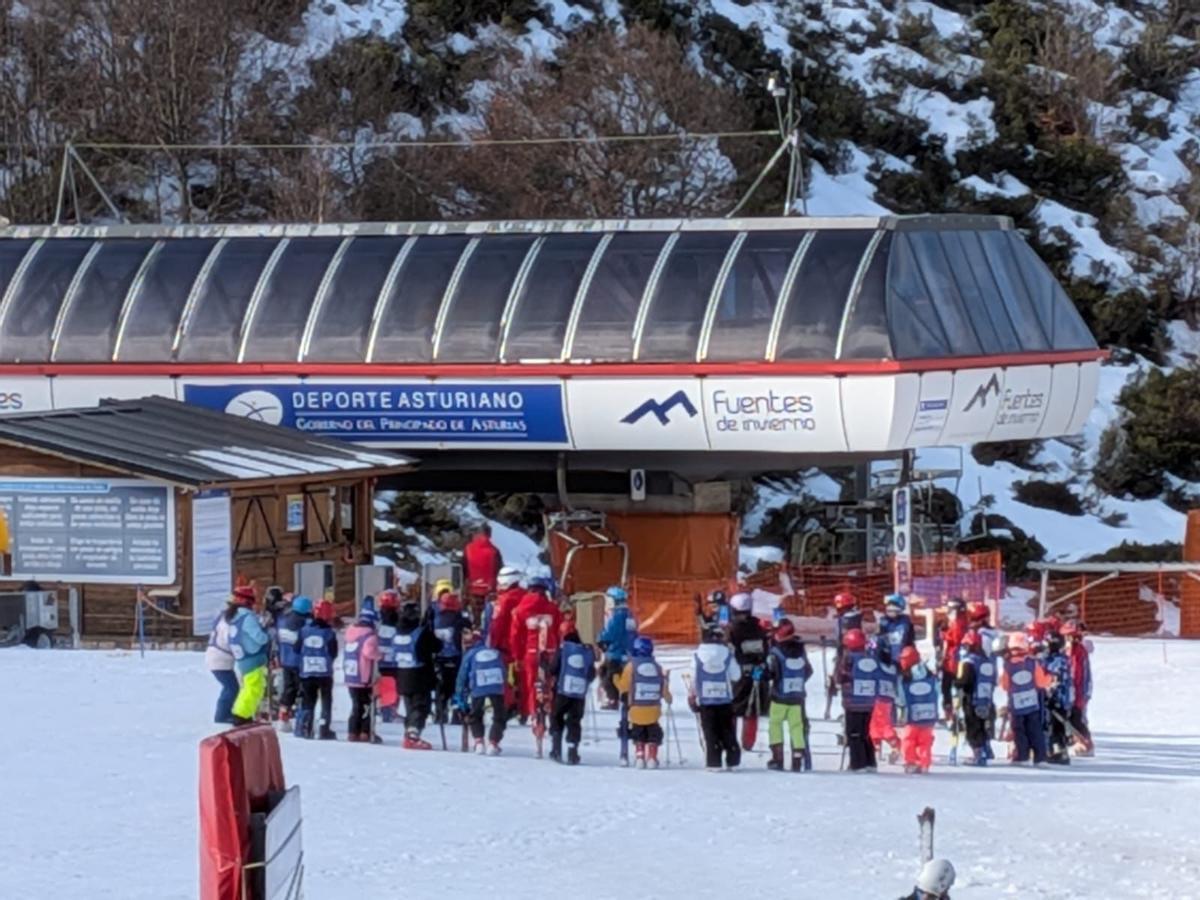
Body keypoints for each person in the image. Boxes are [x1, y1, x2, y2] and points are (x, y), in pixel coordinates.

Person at [509, 576, 563, 723]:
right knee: (550, 683)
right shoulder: (553, 609)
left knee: (531, 684)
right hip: (550, 652)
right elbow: (560, 631)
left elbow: (515, 636)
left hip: (531, 653)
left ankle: (533, 713)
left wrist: (517, 657)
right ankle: (550, 710)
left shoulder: (520, 610)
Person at [688, 624, 742, 772]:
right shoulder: (727, 654)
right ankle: (733, 760)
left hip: (705, 700)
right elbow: (736, 675)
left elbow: (694, 677)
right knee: (727, 730)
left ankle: (713, 762)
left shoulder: (697, 655)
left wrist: (692, 695)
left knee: (710, 731)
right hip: (724, 699)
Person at [615, 635, 671, 768]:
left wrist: (615, 679)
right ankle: (652, 756)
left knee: (638, 731)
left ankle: (640, 755)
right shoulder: (657, 667)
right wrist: (668, 698)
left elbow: (624, 686)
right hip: (653, 709)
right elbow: (663, 688)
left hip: (636, 709)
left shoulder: (631, 666)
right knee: (653, 732)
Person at [393, 600, 443, 749]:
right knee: (421, 706)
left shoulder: (397, 632)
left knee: (410, 706)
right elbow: (436, 646)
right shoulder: (420, 632)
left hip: (402, 673)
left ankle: (409, 732)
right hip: (419, 674)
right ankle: (413, 734)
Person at [547, 621, 597, 764]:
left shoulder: (563, 650)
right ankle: (573, 752)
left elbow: (553, 669)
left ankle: (556, 749)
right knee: (574, 721)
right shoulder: (586, 651)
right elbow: (591, 674)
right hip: (579, 694)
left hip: (562, 691)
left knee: (557, 716)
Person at [764, 618, 811, 772]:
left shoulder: (776, 652)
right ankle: (797, 757)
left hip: (779, 696)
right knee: (796, 726)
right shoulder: (800, 650)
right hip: (797, 697)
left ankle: (777, 759)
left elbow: (771, 672)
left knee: (775, 725)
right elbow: (808, 671)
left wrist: (762, 675)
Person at [1000, 632, 1052, 765]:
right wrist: (1050, 678)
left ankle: (1022, 756)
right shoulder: (1033, 663)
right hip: (1032, 703)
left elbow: (1004, 685)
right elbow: (1041, 682)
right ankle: (1040, 757)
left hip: (1016, 705)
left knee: (1019, 730)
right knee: (1035, 730)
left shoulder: (1007, 665)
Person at [455, 629, 508, 754]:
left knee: (476, 713)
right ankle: (493, 742)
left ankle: (479, 741)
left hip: (478, 685)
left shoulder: (470, 654)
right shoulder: (495, 652)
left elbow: (461, 677)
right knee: (499, 715)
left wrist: (460, 697)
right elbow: (503, 670)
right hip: (496, 685)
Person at [728, 591, 769, 749]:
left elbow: (729, 650)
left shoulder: (733, 629)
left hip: (738, 674)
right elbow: (765, 649)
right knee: (752, 709)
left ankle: (731, 741)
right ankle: (748, 742)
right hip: (757, 673)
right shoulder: (759, 627)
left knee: (732, 708)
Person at [835, 627, 877, 772]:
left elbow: (840, 677)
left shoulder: (848, 658)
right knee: (865, 733)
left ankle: (857, 764)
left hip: (853, 703)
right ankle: (870, 762)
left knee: (854, 733)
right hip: (868, 703)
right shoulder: (871, 658)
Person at [226, 586, 270, 726]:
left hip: (242, 657)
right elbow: (259, 638)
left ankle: (243, 713)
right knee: (253, 689)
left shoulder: (233, 617)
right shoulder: (247, 618)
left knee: (248, 688)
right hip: (252, 658)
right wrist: (266, 635)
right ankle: (241, 715)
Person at [297, 598, 338, 740]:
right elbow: (334, 652)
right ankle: (324, 728)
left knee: (309, 700)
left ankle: (306, 728)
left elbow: (297, 648)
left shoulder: (304, 630)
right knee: (326, 700)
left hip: (307, 671)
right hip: (324, 673)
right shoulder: (329, 633)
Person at [955, 629, 996, 765]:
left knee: (973, 726)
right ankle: (985, 748)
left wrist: (958, 683)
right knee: (983, 725)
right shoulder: (988, 661)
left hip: (972, 699)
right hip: (985, 699)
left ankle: (978, 753)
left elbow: (965, 680)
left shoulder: (969, 662)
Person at [895, 646, 939, 774]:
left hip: (912, 715)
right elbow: (937, 692)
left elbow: (901, 698)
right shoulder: (930, 674)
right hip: (929, 714)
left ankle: (911, 762)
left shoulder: (904, 678)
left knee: (908, 739)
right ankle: (924, 763)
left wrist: (900, 706)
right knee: (925, 741)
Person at [432, 592, 473, 727]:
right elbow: (468, 636)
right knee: (458, 687)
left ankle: (440, 713)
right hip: (457, 659)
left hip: (439, 659)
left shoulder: (435, 619)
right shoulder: (460, 621)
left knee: (441, 688)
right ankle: (457, 713)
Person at [344, 604, 381, 743]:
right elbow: (368, 652)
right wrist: (379, 655)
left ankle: (352, 730)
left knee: (355, 705)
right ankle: (364, 731)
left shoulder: (350, 633)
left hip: (351, 675)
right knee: (366, 706)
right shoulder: (369, 636)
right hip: (364, 677)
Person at [273, 595, 311, 731]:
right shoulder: (305, 624)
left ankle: (283, 716)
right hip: (301, 663)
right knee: (303, 690)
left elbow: (277, 640)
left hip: (285, 660)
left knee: (288, 689)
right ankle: (302, 719)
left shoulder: (282, 621)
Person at [597, 586, 636, 710]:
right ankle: (625, 698)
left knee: (608, 676)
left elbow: (611, 631)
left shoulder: (618, 615)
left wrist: (601, 640)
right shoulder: (629, 615)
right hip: (627, 652)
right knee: (621, 676)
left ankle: (613, 699)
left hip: (616, 653)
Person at [1043, 628, 1075, 764]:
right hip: (1051, 697)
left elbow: (1058, 681)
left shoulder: (1059, 661)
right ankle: (1050, 749)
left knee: (1056, 725)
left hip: (1058, 700)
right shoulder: (1048, 659)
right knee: (1049, 724)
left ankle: (1060, 752)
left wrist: (1051, 695)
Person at [1064, 621, 1094, 755]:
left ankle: (1084, 743)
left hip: (1078, 692)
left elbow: (1077, 674)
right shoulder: (1071, 650)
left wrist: (1077, 695)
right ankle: (1072, 740)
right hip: (1073, 691)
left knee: (1077, 717)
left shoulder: (1077, 652)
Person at [205, 606, 238, 725]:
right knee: (231, 688)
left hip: (217, 657)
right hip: (220, 659)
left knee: (230, 687)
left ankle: (225, 712)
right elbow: (231, 641)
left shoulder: (221, 619)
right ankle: (222, 715)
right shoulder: (227, 625)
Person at [939, 598, 968, 720]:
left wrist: (945, 635)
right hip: (950, 659)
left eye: (952, 608)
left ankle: (955, 713)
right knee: (946, 687)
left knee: (954, 686)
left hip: (956, 660)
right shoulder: (953, 622)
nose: (949, 611)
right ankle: (950, 710)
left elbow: (955, 640)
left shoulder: (959, 622)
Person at [375, 590, 401, 722]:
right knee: (393, 685)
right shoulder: (399, 620)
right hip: (394, 659)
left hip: (378, 658)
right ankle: (390, 709)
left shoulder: (376, 620)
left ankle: (380, 708)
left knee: (380, 683)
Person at [464, 523, 503, 599]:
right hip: (489, 591)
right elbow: (500, 571)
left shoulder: (468, 548)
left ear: (478, 533)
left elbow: (463, 568)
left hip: (471, 589)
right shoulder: (494, 551)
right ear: (490, 535)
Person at [877, 593, 916, 666]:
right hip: (884, 661)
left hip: (902, 661)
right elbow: (877, 640)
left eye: (893, 605)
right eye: (889, 604)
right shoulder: (882, 622)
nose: (891, 607)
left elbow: (910, 641)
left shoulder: (906, 622)